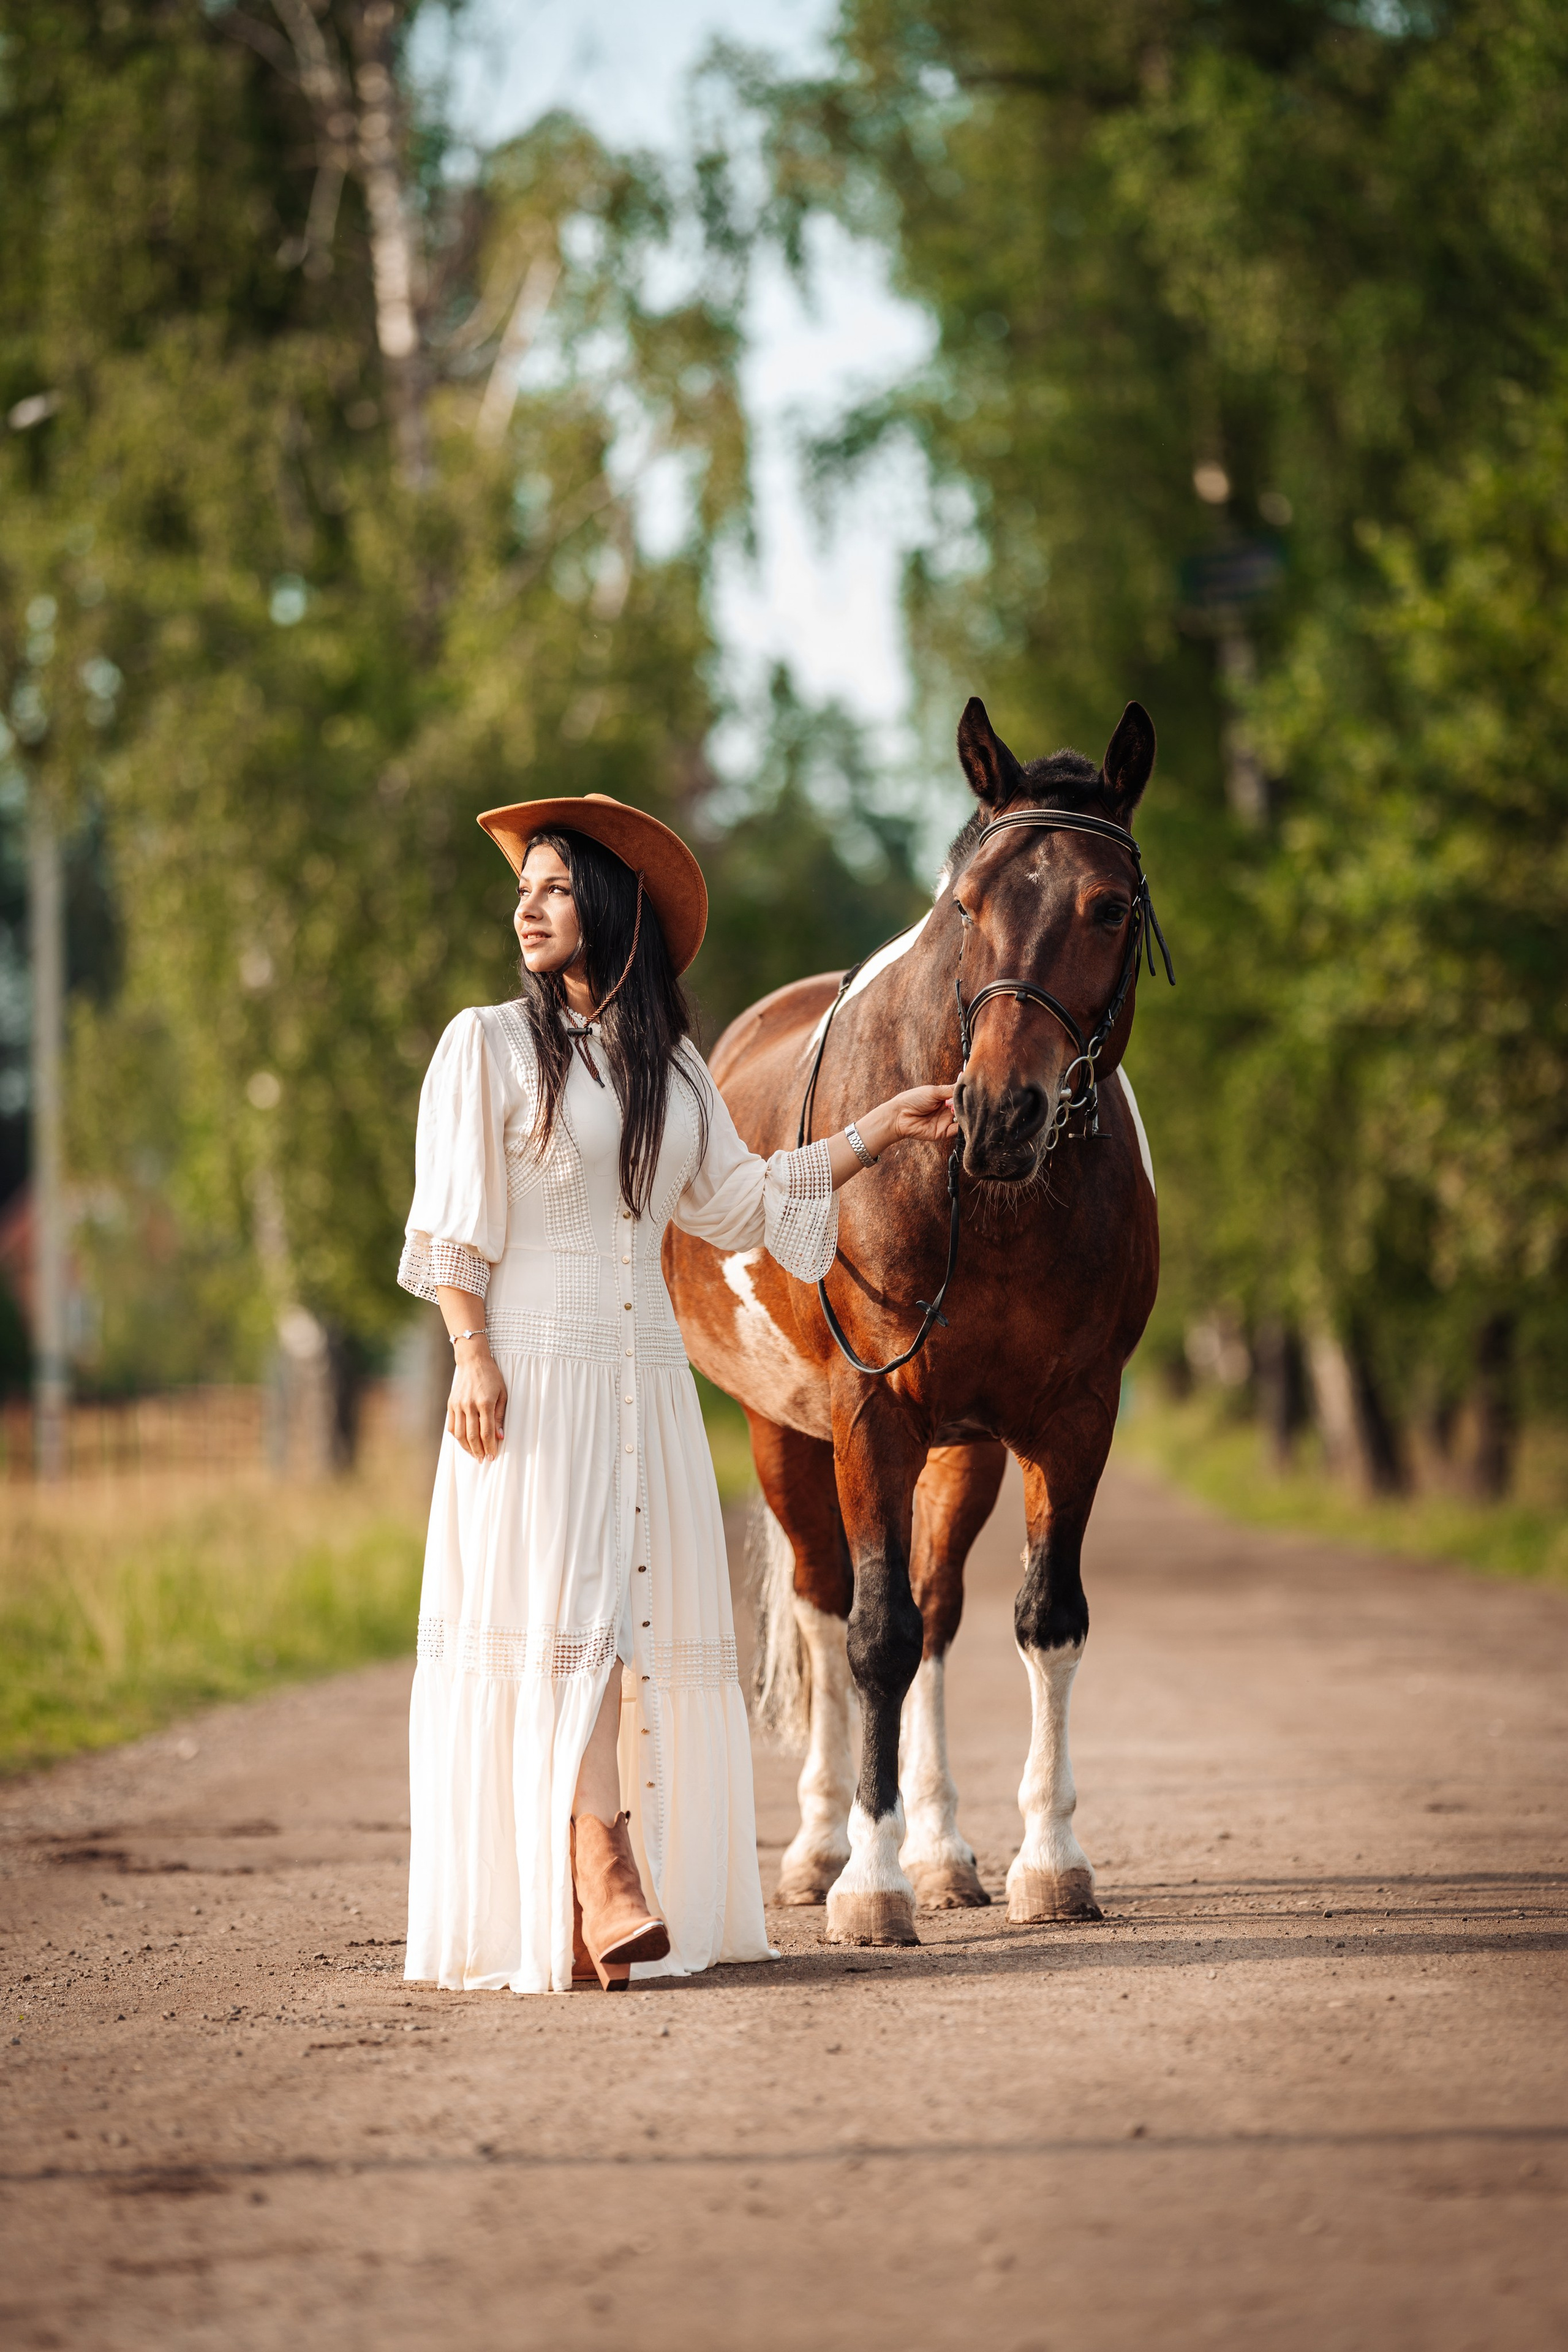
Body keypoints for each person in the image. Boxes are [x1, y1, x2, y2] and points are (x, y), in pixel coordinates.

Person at [398, 791, 956, 1994]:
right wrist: (470, 1352)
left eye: (551, 888)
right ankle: (601, 1869)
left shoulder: (667, 1066)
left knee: (619, 1627)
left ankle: (591, 1883)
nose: (527, 909)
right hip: (532, 1371)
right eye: (522, 891)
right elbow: (453, 1229)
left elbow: (744, 1202)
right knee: (568, 1624)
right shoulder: (485, 1046)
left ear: (606, 907)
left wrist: (878, 1129)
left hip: (645, 1375)